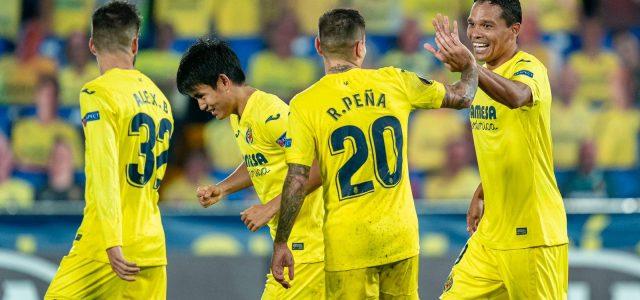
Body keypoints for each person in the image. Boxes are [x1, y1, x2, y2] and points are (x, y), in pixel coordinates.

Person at [270, 8, 478, 298]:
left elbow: (296, 179)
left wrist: (281, 242)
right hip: (400, 237)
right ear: (360, 47)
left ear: (318, 46)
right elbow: (464, 96)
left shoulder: (305, 104)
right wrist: (469, 64)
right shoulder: (395, 81)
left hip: (348, 245)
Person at [432, 1, 569, 299]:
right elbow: (505, 141)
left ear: (514, 30)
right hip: (490, 235)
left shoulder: (530, 68)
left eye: (487, 25)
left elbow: (518, 97)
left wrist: (469, 67)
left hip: (532, 233)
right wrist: (483, 190)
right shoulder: (480, 74)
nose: (475, 33)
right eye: (472, 23)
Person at [176, 38, 325, 299]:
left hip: (310, 247)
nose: (201, 105)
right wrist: (222, 189)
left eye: (201, 95)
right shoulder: (239, 116)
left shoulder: (270, 114)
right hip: (298, 246)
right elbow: (260, 159)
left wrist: (269, 208)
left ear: (223, 81)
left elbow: (317, 166)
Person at [45, 2, 174, 299]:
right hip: (152, 246)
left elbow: (104, 169)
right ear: (135, 43)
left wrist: (112, 241)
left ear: (92, 45)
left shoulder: (97, 92)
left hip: (105, 246)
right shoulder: (160, 99)